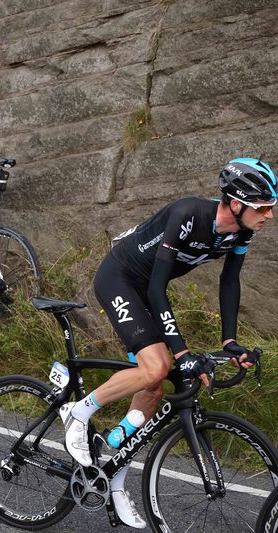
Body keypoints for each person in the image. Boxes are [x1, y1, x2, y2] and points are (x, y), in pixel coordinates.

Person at [60, 157, 276, 528]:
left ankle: (113, 477)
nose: (269, 215)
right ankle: (77, 412)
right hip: (120, 278)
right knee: (158, 366)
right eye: (264, 207)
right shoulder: (188, 213)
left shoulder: (242, 232)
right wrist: (183, 352)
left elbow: (229, 282)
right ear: (236, 203)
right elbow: (158, 287)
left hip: (146, 291)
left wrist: (231, 342)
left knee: (154, 387)